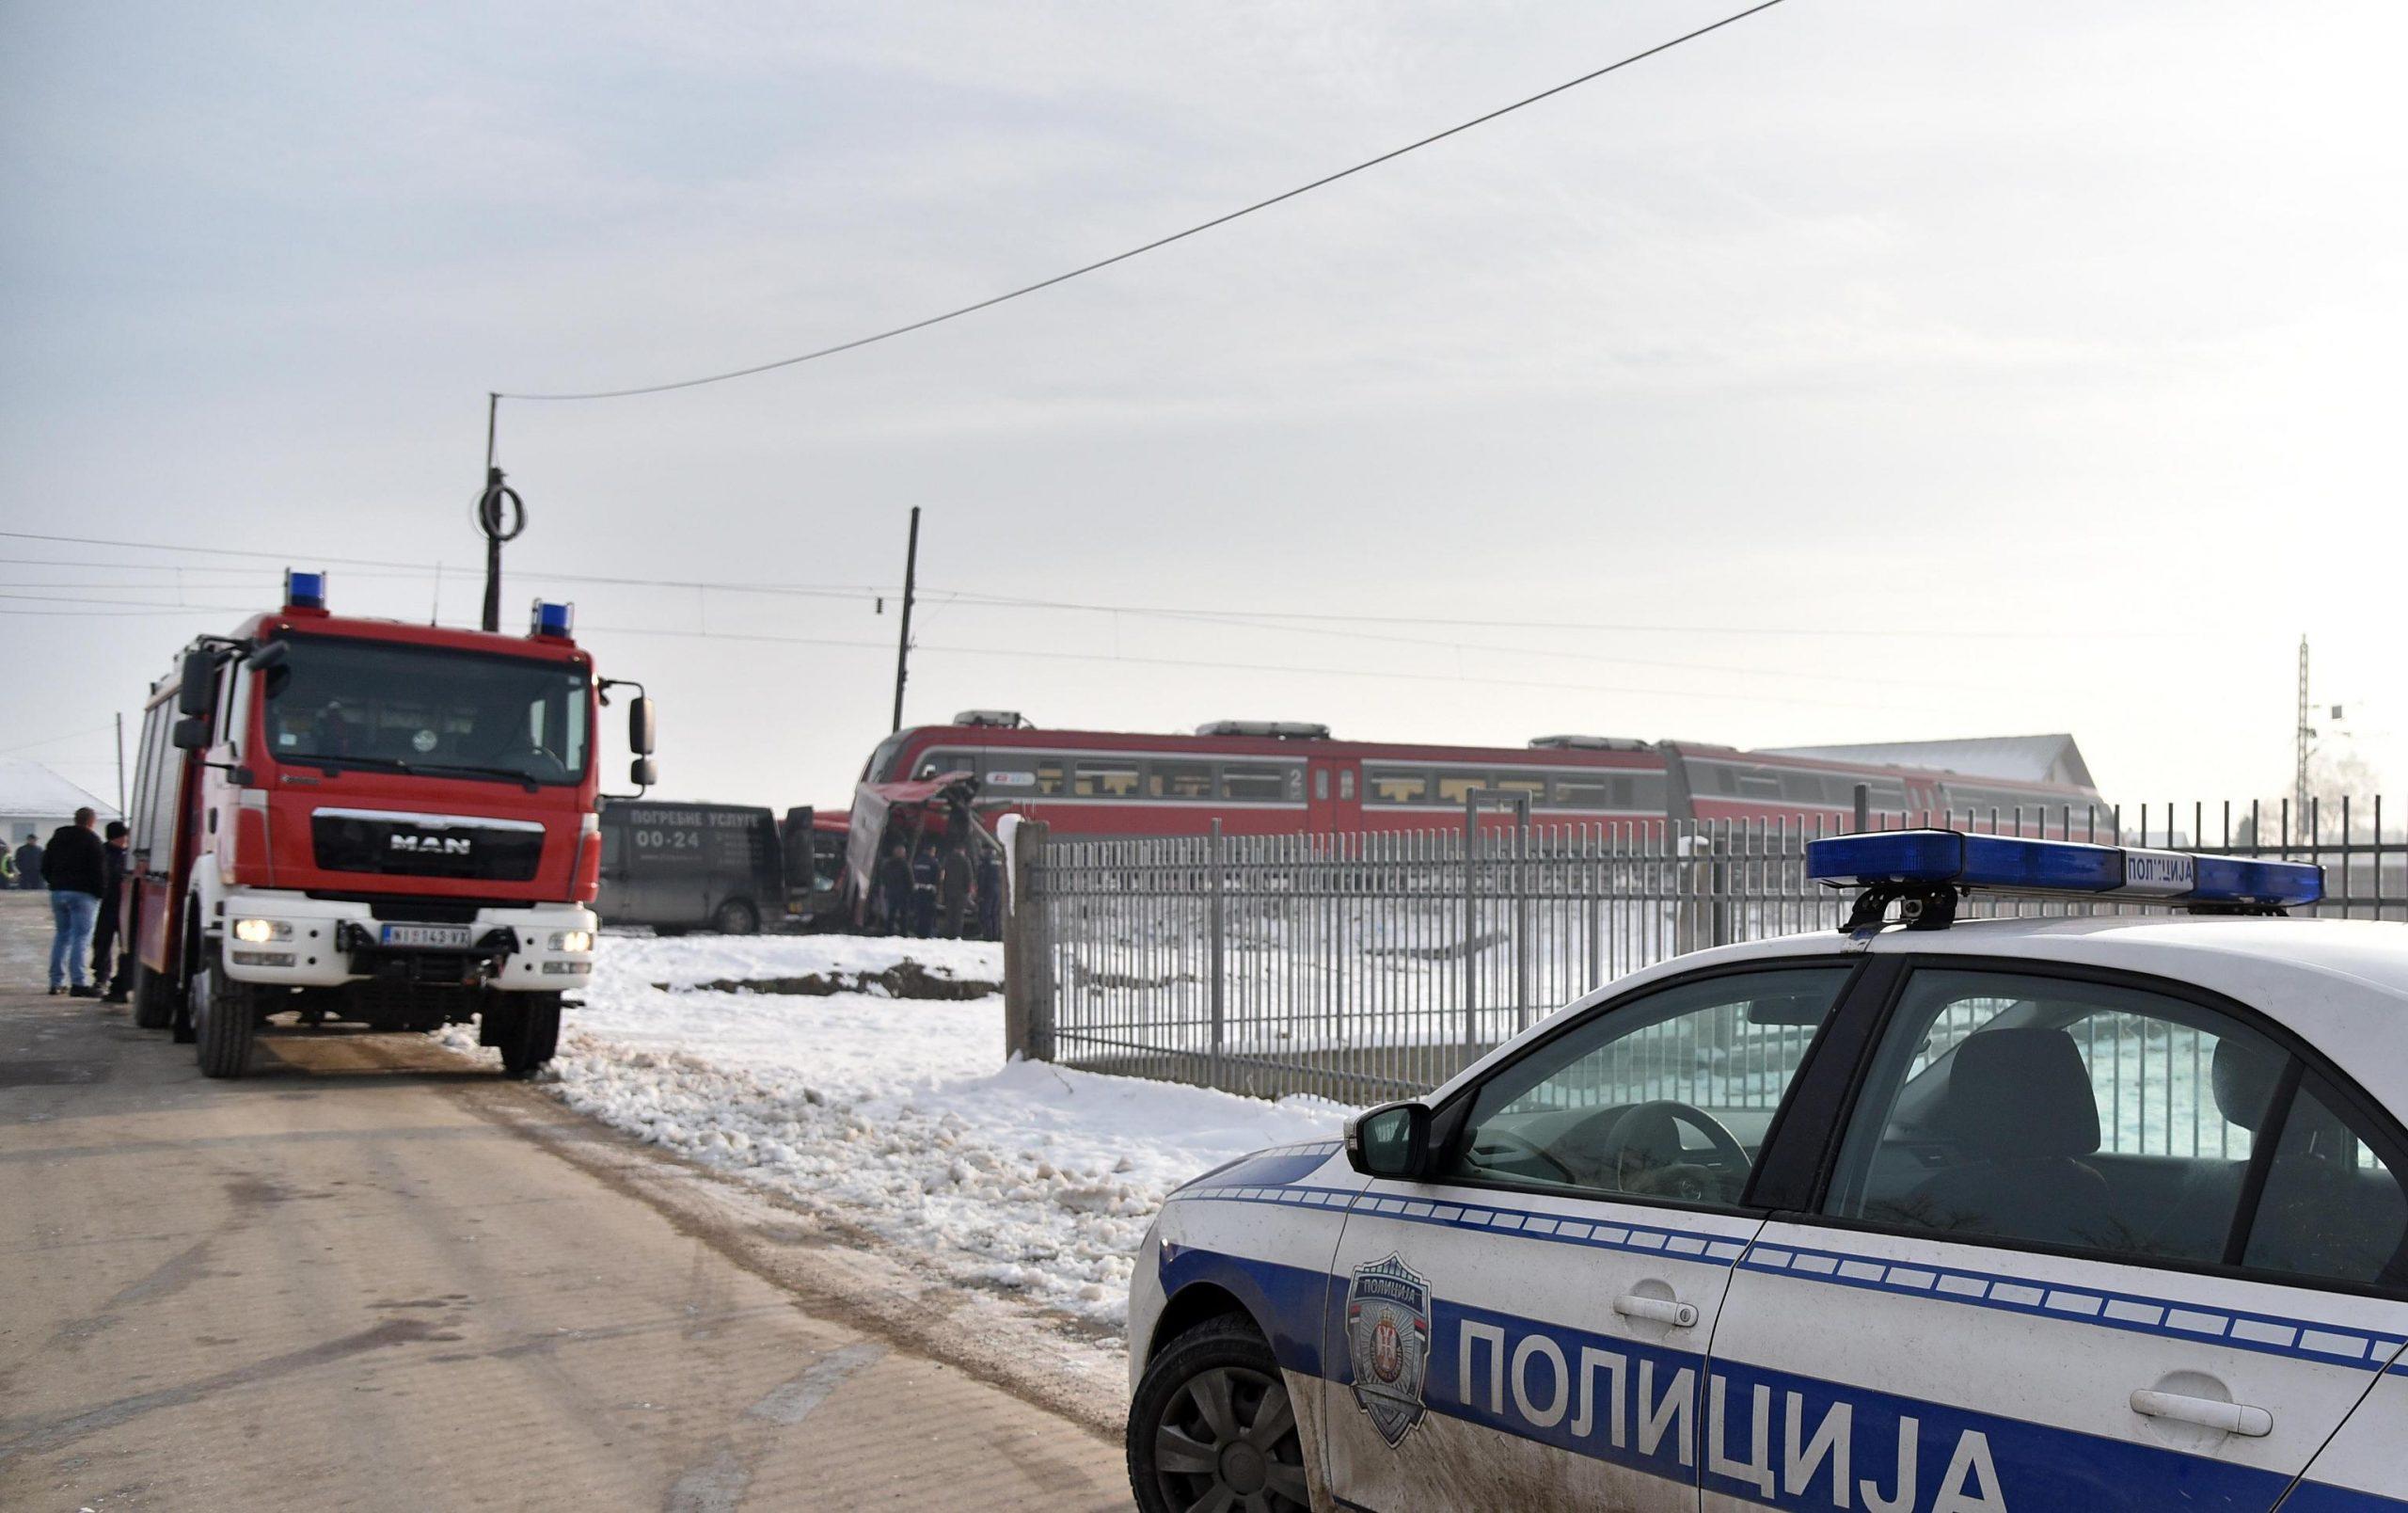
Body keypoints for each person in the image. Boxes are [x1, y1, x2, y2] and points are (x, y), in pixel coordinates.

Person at [41, 808, 106, 996]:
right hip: (84, 894)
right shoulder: (93, 841)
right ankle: (78, 983)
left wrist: (54, 883)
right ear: (91, 822)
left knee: (62, 936)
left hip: (59, 892)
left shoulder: (56, 839)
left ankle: (56, 982)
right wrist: (100, 893)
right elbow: (99, 871)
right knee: (81, 938)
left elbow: (45, 865)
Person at [91, 820, 133, 1003]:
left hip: (117, 904)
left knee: (119, 944)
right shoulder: (109, 855)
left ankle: (114, 981)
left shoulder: (108, 853)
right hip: (112, 903)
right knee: (105, 942)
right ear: (121, 836)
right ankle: (104, 978)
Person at [874, 842, 913, 936]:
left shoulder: (888, 864)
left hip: (891, 892)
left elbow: (883, 877)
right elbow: (910, 880)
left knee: (891, 913)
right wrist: (910, 891)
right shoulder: (905, 865)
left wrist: (887, 888)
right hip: (903, 894)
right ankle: (903, 933)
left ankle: (889, 932)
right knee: (903, 915)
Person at [938, 843, 973, 940]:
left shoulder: (947, 860)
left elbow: (942, 875)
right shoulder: (965, 861)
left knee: (949, 914)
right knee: (959, 915)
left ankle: (948, 933)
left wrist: (943, 888)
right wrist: (967, 891)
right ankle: (957, 935)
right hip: (961, 893)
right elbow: (969, 877)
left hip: (949, 891)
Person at [909, 840, 940, 938]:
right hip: (929, 892)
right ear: (932, 851)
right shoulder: (934, 862)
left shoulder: (917, 861)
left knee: (919, 913)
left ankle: (918, 932)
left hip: (918, 891)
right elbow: (937, 878)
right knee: (928, 916)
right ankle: (926, 934)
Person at [975, 845, 1003, 941]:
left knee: (986, 914)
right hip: (998, 890)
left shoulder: (985, 861)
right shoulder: (999, 860)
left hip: (987, 890)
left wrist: (980, 893)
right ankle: (996, 935)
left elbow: (982, 877)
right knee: (995, 914)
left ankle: (988, 936)